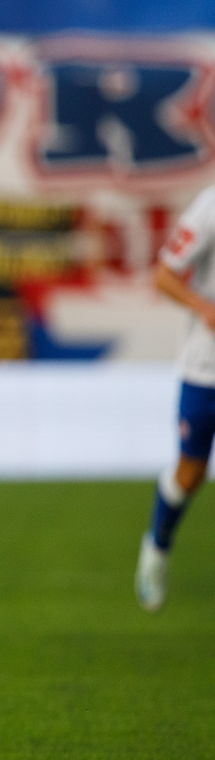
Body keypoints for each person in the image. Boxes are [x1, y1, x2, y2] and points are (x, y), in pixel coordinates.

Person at [136, 184, 215, 611]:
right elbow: (164, 274)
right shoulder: (210, 206)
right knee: (191, 473)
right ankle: (157, 545)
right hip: (205, 371)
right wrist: (203, 308)